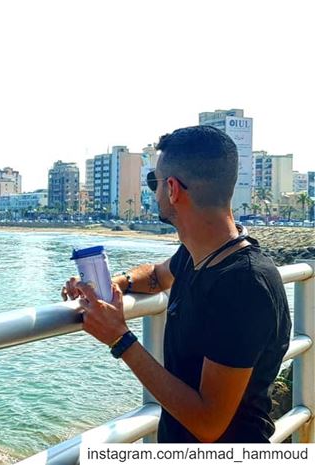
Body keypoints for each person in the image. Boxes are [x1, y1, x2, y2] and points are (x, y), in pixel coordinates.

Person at [61, 125, 291, 443]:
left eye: (154, 182)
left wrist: (119, 339)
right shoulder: (200, 255)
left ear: (172, 189)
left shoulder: (244, 285)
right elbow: (157, 275)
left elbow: (209, 423)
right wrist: (115, 285)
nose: (153, 192)